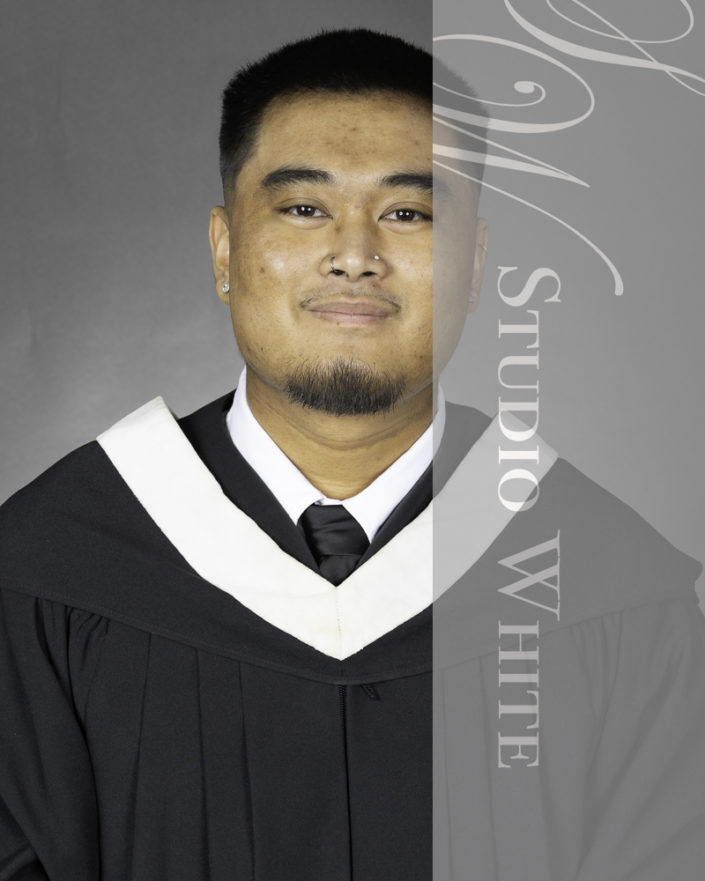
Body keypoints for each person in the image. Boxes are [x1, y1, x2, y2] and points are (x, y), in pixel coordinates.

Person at [0, 28, 703, 881]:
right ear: (224, 250)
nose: (355, 256)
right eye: (304, 208)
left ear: (475, 265)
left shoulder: (611, 590)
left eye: (408, 213)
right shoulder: (45, 573)